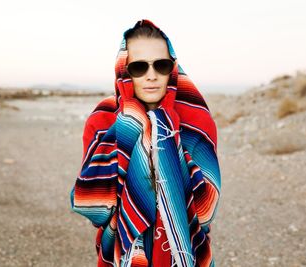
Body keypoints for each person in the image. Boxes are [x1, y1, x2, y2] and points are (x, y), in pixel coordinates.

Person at [70, 19, 221, 267]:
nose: (151, 76)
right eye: (139, 67)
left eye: (161, 65)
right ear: (124, 70)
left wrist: (166, 138)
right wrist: (130, 128)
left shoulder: (196, 120)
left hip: (185, 252)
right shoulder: (104, 119)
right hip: (123, 252)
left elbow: (206, 209)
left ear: (172, 68)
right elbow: (93, 205)